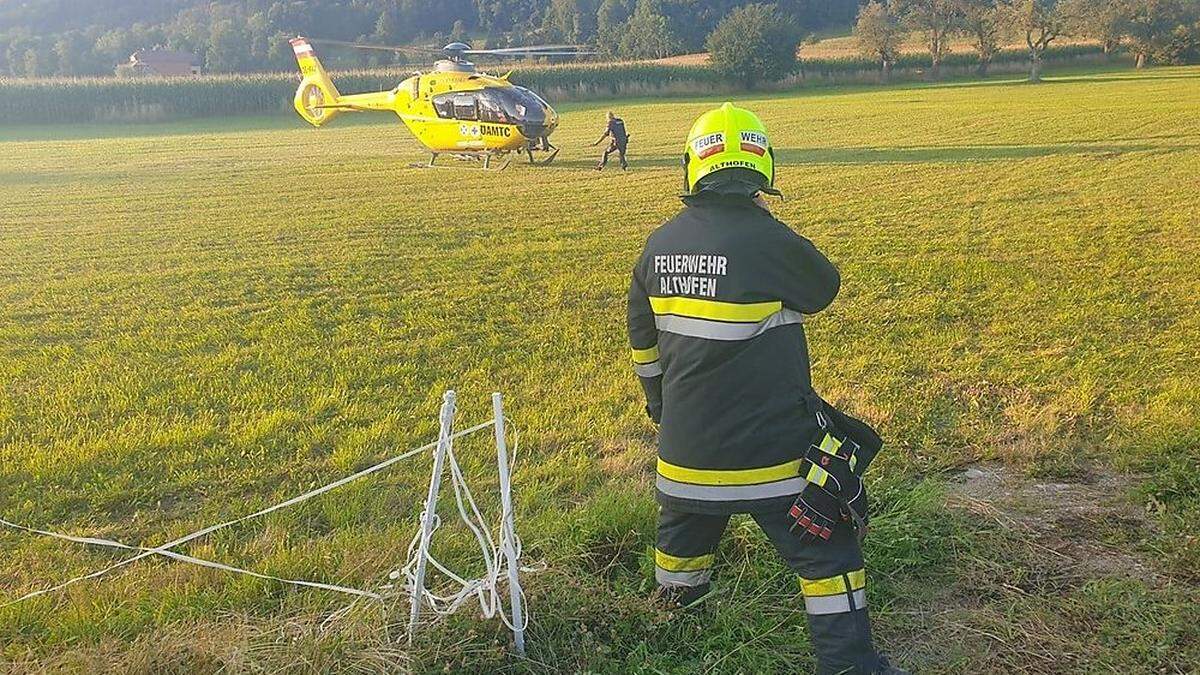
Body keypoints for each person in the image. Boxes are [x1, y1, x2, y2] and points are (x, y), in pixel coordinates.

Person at [626, 102, 907, 675]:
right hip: (775, 462)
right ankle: (852, 667)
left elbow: (644, 349)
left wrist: (664, 411)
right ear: (764, 170)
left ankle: (669, 640)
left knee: (679, 555)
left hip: (685, 461)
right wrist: (765, 225)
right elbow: (824, 286)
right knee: (830, 559)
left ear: (691, 167)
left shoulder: (657, 246)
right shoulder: (769, 239)